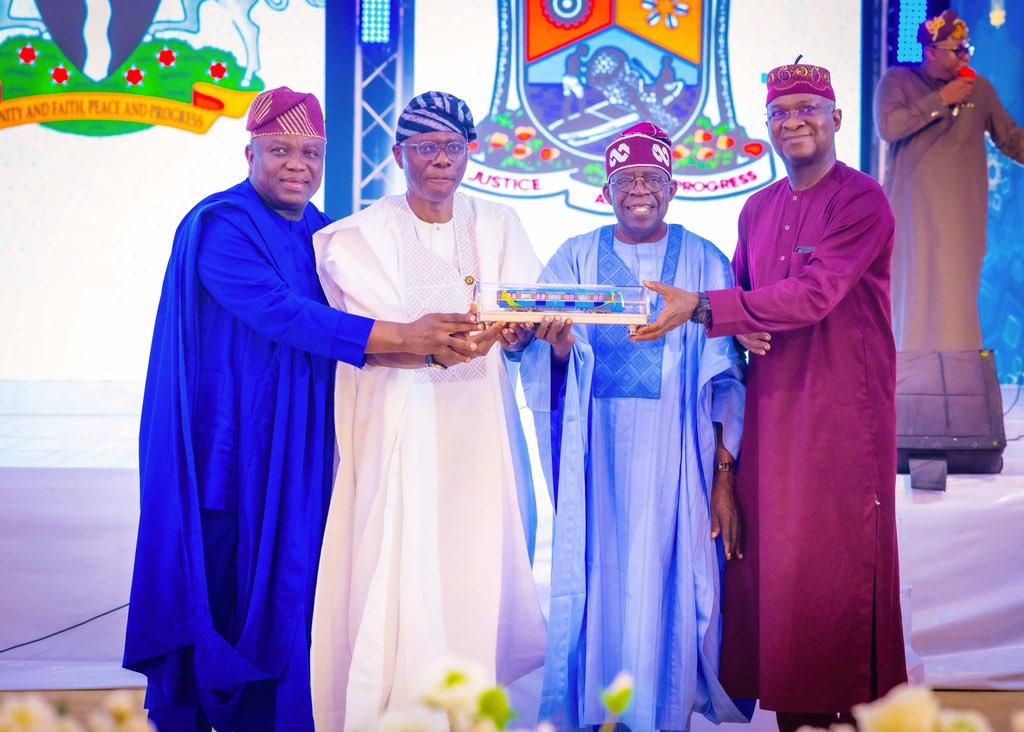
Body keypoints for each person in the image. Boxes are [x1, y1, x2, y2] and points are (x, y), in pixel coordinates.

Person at [123, 87, 477, 732]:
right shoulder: (222, 224)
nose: (297, 164)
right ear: (249, 151)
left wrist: (450, 339)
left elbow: (364, 312)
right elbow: (279, 312)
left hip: (303, 442)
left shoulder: (323, 232)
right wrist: (402, 341)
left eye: (311, 152)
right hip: (227, 444)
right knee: (225, 582)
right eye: (281, 150)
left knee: (294, 586)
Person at [631, 63, 907, 731]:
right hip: (772, 412)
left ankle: (845, 715)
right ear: (767, 129)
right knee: (778, 574)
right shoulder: (757, 209)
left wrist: (705, 307)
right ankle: (793, 714)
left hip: (843, 412)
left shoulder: (862, 199)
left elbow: (814, 294)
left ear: (838, 119)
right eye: (781, 113)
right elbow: (751, 310)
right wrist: (737, 321)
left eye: (809, 108)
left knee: (836, 563)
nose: (795, 122)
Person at [309, 91, 547, 731]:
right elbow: (369, 331)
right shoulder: (358, 236)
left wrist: (523, 330)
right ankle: (400, 705)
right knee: (401, 551)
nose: (440, 160)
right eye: (425, 148)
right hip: (401, 421)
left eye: (452, 147)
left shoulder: (497, 225)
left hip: (476, 421)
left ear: (471, 153)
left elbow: (522, 315)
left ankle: (464, 705)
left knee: (472, 556)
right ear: (399, 154)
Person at [520, 122, 748, 731]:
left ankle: (659, 714)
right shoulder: (573, 255)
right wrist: (561, 346)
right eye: (626, 180)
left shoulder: (705, 258)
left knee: (669, 584)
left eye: (652, 179)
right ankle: (601, 715)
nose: (639, 190)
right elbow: (541, 351)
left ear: (672, 188)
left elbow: (726, 380)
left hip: (680, 455)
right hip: (596, 453)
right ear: (607, 189)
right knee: (597, 582)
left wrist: (724, 477)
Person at [875, 9, 1024, 351]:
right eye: (957, 49)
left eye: (967, 48)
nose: (965, 56)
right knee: (910, 299)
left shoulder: (979, 89)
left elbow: (1011, 139)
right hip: (912, 218)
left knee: (957, 304)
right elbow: (889, 127)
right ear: (930, 52)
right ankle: (903, 387)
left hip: (961, 221)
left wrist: (960, 94)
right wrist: (942, 99)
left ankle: (956, 386)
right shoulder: (897, 81)